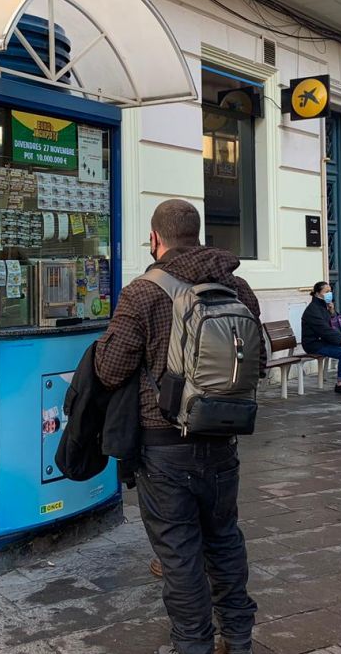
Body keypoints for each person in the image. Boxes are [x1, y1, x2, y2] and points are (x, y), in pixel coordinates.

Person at [94, 199, 260, 654]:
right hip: (223, 437)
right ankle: (239, 638)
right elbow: (257, 362)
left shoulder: (143, 293)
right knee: (224, 539)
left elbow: (110, 370)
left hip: (163, 444)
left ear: (155, 239)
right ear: (198, 233)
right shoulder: (238, 286)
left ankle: (193, 645)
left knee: (179, 552)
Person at [301, 283, 341, 396]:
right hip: (314, 344)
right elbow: (323, 329)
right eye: (326, 291)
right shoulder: (313, 310)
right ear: (318, 293)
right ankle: (340, 384)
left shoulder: (325, 306)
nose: (329, 294)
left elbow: (335, 323)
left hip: (324, 341)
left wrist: (332, 311)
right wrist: (340, 339)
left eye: (330, 291)